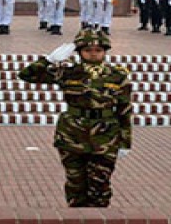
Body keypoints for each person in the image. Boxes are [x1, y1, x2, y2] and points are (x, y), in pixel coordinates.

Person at [18, 29, 132, 207]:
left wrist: (125, 142)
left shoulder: (117, 76)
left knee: (100, 185)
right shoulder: (67, 72)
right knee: (75, 183)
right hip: (72, 135)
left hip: (106, 137)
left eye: (98, 50)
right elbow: (26, 75)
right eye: (88, 50)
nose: (93, 54)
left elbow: (124, 110)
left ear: (105, 51)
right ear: (79, 52)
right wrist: (48, 60)